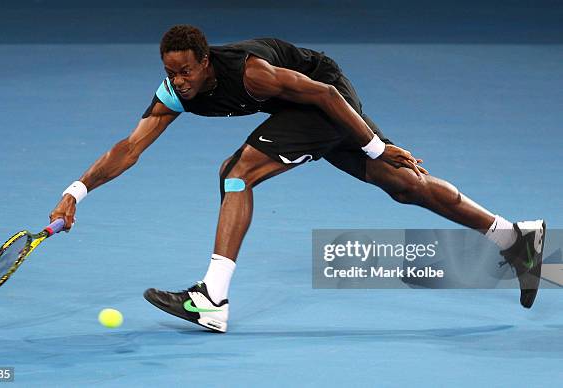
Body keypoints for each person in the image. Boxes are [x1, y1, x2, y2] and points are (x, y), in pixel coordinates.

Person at [50, 25, 546, 333]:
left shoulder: (251, 73)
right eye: (169, 72)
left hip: (320, 95)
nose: (177, 81)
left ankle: (212, 298)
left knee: (236, 173)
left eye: (184, 71)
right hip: (299, 112)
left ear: (204, 61)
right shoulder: (175, 92)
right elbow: (129, 147)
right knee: (405, 186)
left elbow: (327, 95)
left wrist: (374, 145)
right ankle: (513, 237)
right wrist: (77, 191)